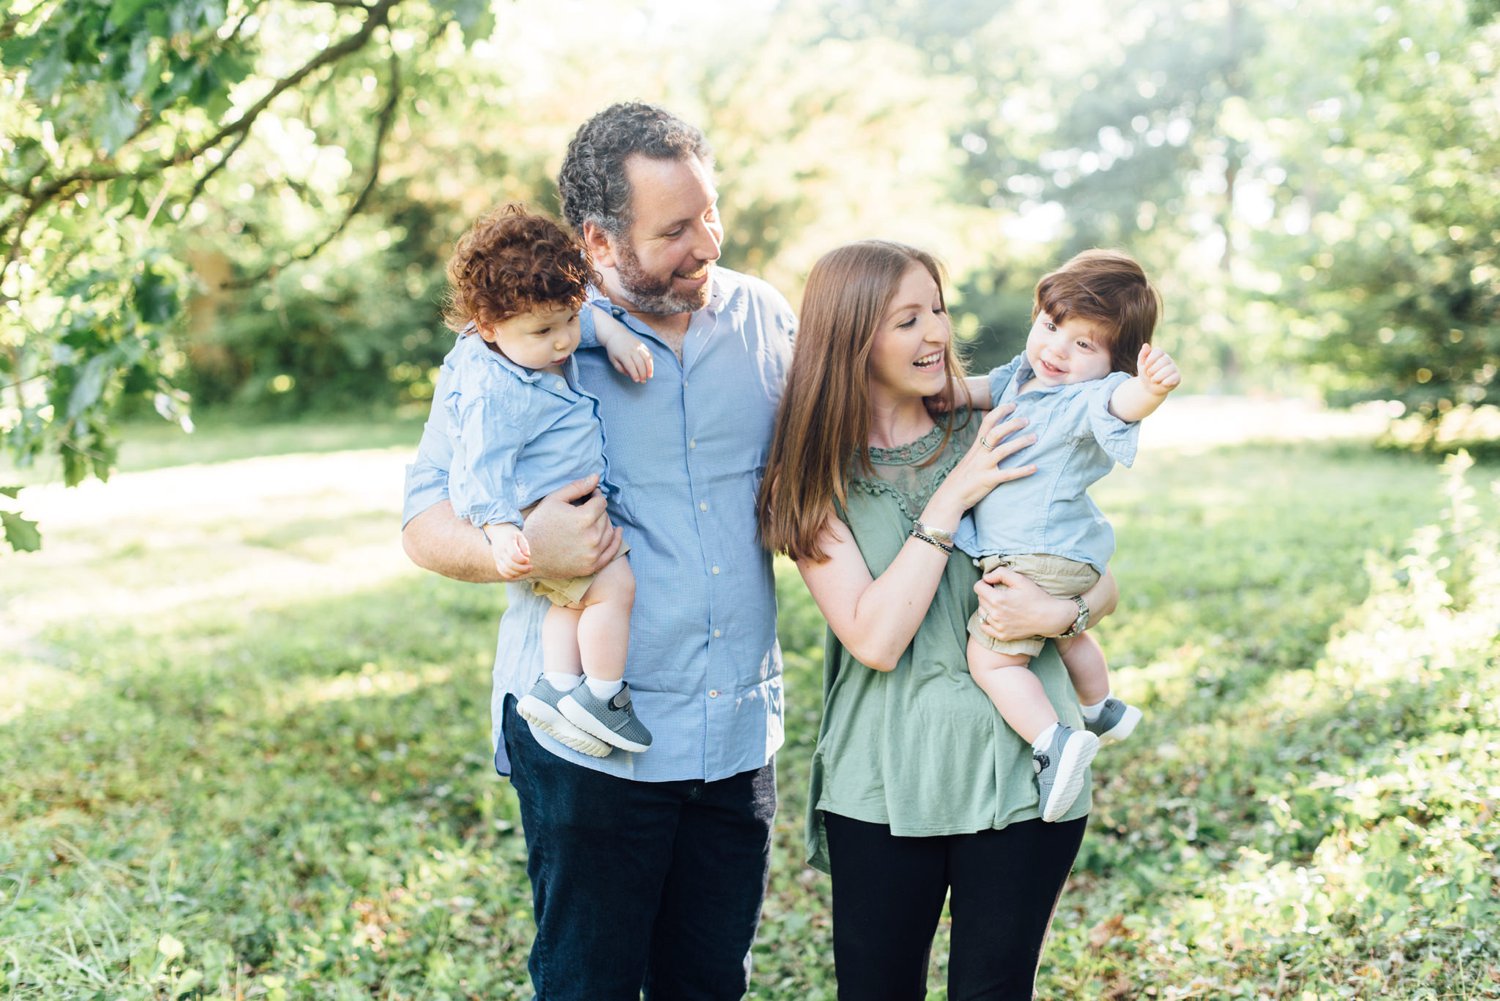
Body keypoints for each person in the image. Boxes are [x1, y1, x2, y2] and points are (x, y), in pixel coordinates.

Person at [401, 102, 795, 999]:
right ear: (599, 240)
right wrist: (520, 548)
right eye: (674, 229)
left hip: (734, 730)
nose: (707, 243)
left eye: (710, 214)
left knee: (709, 983)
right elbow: (423, 520)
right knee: (590, 984)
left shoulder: (767, 321)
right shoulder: (516, 344)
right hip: (586, 749)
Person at [758, 240, 1119, 999]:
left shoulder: (1000, 421)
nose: (937, 334)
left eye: (939, 310)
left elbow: (1094, 570)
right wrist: (952, 497)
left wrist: (1063, 610)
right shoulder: (812, 475)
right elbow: (874, 637)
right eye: (907, 319)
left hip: (1022, 771)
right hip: (885, 778)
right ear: (851, 336)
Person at [951, 249, 1180, 823]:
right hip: (1070, 555)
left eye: (1085, 345)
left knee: (995, 662)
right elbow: (980, 388)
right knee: (1065, 636)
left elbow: (1123, 403)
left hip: (1038, 556)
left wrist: (1150, 390)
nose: (1057, 349)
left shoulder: (1087, 398)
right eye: (1053, 327)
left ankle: (1054, 741)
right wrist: (936, 394)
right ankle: (1100, 706)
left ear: (1112, 363)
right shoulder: (1024, 377)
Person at [438, 203, 656, 756]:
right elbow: (478, 469)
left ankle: (556, 687)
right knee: (614, 590)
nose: (562, 342)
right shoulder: (492, 390)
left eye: (567, 320)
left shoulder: (540, 331)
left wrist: (610, 336)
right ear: (487, 327)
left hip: (568, 502)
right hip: (545, 516)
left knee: (570, 603)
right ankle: (603, 695)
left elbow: (581, 321)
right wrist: (502, 530)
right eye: (544, 330)